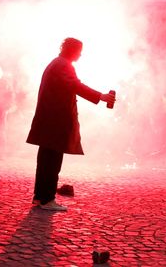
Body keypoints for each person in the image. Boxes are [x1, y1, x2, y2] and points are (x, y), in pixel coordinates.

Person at [26, 37, 116, 211]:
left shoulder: (57, 63)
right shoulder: (64, 65)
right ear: (73, 50)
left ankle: (40, 197)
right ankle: (47, 199)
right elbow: (75, 85)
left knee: (45, 161)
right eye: (79, 51)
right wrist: (101, 96)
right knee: (52, 162)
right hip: (55, 122)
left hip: (49, 120)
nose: (81, 54)